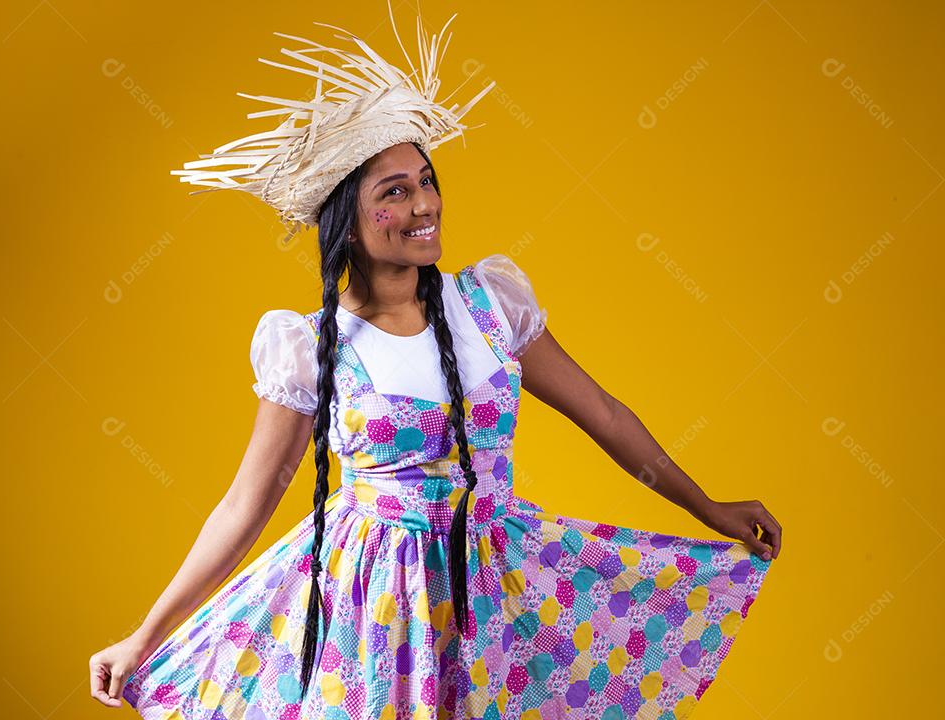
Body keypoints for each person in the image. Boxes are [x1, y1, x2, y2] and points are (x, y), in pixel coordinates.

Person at [89, 6, 780, 718]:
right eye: (395, 191)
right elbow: (246, 504)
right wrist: (145, 636)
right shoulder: (311, 348)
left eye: (426, 180)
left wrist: (705, 505)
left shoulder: (490, 305)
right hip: (373, 615)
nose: (425, 204)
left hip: (493, 593)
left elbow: (602, 413)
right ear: (344, 221)